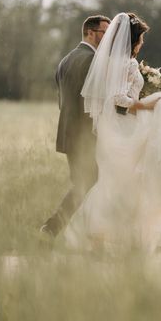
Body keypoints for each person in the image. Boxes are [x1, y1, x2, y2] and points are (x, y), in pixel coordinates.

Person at [63, 12, 161, 253]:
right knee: (130, 179)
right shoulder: (128, 64)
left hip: (108, 128)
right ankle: (127, 235)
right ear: (133, 41)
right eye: (141, 39)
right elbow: (117, 99)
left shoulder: (107, 63)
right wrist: (147, 105)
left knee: (111, 181)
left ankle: (98, 236)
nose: (142, 44)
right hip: (121, 130)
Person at [40, 15, 111, 239]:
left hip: (68, 135)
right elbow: (93, 102)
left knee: (85, 183)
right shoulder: (92, 61)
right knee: (88, 182)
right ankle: (52, 228)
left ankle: (84, 234)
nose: (107, 37)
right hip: (85, 136)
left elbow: (63, 101)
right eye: (104, 33)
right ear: (90, 33)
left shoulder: (65, 60)